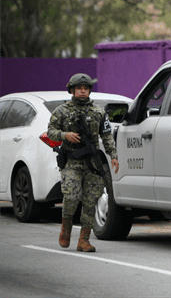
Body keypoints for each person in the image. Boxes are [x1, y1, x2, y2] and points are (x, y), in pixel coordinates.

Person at [47, 73, 119, 252]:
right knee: (71, 197)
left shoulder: (99, 113)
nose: (82, 91)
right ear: (72, 90)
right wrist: (65, 135)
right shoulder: (62, 111)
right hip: (71, 162)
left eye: (85, 88)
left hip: (92, 163)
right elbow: (51, 132)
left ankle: (84, 240)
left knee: (90, 200)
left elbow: (107, 135)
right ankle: (66, 228)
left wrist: (113, 155)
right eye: (79, 88)